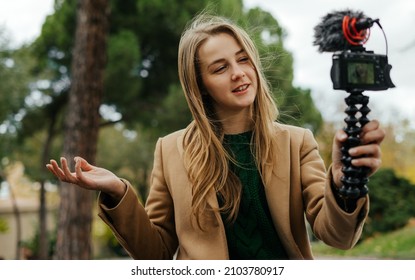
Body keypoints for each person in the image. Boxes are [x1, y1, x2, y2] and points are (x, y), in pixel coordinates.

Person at [46, 14, 385, 260]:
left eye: (243, 60)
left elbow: (337, 237)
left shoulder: (296, 142)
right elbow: (158, 253)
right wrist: (119, 191)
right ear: (200, 85)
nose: (239, 73)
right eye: (220, 68)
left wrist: (343, 184)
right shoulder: (171, 150)